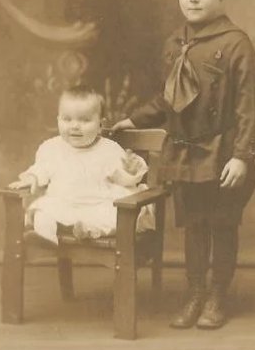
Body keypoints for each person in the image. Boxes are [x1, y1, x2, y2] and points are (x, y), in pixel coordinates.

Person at [112, 0, 255, 329]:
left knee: (222, 224)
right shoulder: (175, 43)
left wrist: (242, 156)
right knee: (195, 226)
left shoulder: (235, 44)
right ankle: (195, 292)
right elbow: (169, 98)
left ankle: (217, 295)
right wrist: (133, 119)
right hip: (187, 154)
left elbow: (249, 106)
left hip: (223, 154)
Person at [9, 85, 154, 247]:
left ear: (100, 124)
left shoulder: (109, 149)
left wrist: (131, 170)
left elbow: (125, 181)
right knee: (43, 209)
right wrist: (31, 178)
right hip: (64, 203)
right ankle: (46, 237)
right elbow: (40, 170)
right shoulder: (51, 148)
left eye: (84, 120)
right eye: (67, 119)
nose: (75, 126)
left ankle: (87, 229)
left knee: (114, 215)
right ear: (58, 120)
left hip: (98, 204)